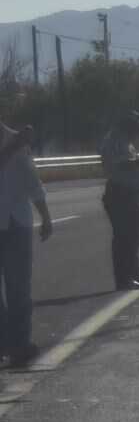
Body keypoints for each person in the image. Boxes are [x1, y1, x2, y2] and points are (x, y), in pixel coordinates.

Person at [1, 119, 51, 368]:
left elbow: (32, 180)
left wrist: (46, 215)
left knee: (19, 288)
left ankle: (19, 343)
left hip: (17, 223)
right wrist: (13, 146)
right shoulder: (15, 142)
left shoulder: (15, 140)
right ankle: (5, 343)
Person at [99, 110, 139, 291]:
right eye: (136, 130)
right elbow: (120, 165)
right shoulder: (114, 141)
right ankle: (124, 279)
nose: (138, 134)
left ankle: (136, 276)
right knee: (124, 238)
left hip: (131, 194)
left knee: (133, 238)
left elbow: (128, 162)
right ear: (128, 127)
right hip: (120, 195)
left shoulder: (126, 142)